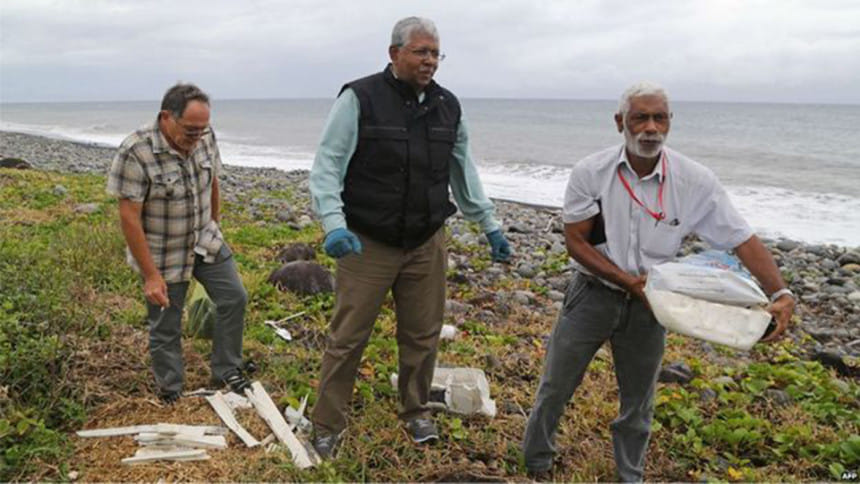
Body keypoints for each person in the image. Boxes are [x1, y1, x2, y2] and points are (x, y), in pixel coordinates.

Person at [521, 81, 795, 481]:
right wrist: (628, 282)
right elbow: (576, 242)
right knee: (556, 386)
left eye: (659, 118)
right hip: (593, 294)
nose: (651, 128)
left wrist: (780, 291)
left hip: (652, 304)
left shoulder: (694, 180)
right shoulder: (591, 172)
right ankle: (536, 464)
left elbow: (741, 238)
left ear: (670, 122)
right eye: (640, 118)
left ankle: (630, 476)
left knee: (639, 401)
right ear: (620, 123)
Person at [308, 16, 511, 458]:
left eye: (436, 53)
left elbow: (463, 171)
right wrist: (334, 223)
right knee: (348, 337)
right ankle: (326, 423)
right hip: (367, 241)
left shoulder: (448, 106)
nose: (430, 61)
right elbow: (328, 164)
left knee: (422, 334)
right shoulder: (359, 97)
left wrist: (489, 224)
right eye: (421, 52)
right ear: (394, 53)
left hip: (425, 240)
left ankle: (416, 410)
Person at [106, 83, 251, 404]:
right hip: (163, 252)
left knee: (234, 298)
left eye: (202, 130)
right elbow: (129, 217)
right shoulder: (136, 151)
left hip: (205, 239)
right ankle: (171, 390)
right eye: (189, 130)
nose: (196, 137)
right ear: (166, 117)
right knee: (166, 324)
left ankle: (226, 372)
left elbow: (212, 182)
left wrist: (215, 225)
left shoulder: (205, 136)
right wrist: (150, 275)